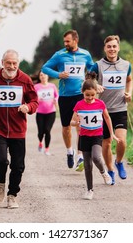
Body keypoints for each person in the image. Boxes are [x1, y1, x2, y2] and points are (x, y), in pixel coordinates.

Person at [0, 49, 38, 209]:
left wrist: (28, 107)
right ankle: (1, 182)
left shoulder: (25, 79)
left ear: (18, 64)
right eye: (8, 63)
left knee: (18, 165)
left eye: (14, 63)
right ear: (2, 63)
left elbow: (34, 101)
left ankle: (12, 195)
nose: (11, 66)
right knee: (1, 159)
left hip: (18, 129)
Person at [42, 29, 95, 171]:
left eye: (68, 41)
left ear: (75, 41)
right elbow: (45, 68)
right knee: (66, 127)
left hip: (80, 94)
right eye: (64, 41)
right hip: (65, 96)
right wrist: (58, 74)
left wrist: (90, 80)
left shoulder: (85, 54)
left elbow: (91, 68)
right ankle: (69, 151)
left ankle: (80, 156)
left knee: (80, 125)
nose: (65, 43)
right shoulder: (59, 55)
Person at [90, 35, 133, 185]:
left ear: (118, 48)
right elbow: (88, 80)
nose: (112, 49)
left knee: (121, 141)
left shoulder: (126, 65)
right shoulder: (98, 65)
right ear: (105, 48)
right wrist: (96, 86)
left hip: (121, 108)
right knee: (107, 143)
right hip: (103, 110)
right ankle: (110, 170)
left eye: (114, 46)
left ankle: (119, 162)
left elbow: (129, 79)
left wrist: (129, 93)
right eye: (109, 46)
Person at [70, 72, 119, 200]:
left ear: (96, 93)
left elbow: (107, 118)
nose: (90, 97)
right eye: (87, 95)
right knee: (87, 165)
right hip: (84, 137)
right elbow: (71, 121)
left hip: (97, 136)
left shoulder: (100, 104)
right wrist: (76, 123)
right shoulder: (79, 105)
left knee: (96, 157)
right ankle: (89, 189)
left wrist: (112, 133)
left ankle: (104, 173)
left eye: (93, 95)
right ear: (82, 93)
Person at [34, 70, 59, 155]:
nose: (43, 76)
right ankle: (40, 142)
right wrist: (37, 100)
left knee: (47, 130)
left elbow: (56, 95)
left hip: (51, 112)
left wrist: (55, 100)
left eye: (44, 75)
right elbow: (33, 98)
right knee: (41, 132)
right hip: (40, 112)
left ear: (48, 76)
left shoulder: (52, 86)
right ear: (39, 77)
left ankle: (47, 149)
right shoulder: (36, 87)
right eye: (41, 75)